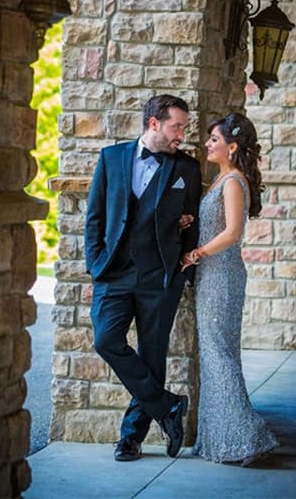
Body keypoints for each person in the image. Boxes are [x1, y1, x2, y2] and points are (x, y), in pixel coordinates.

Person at [85, 94, 202, 461]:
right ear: (154, 124)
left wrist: (185, 272)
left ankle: (130, 438)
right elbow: (95, 217)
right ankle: (167, 406)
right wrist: (96, 264)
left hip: (160, 277)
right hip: (114, 273)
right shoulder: (111, 158)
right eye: (177, 126)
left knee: (153, 356)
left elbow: (192, 222)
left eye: (184, 127)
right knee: (106, 340)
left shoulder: (187, 168)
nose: (182, 134)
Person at [180, 112, 279, 466]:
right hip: (212, 274)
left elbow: (233, 232)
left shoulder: (233, 182)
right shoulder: (221, 180)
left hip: (221, 275)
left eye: (214, 140)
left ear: (232, 146)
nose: (207, 144)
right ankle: (221, 439)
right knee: (215, 354)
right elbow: (215, 223)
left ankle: (246, 438)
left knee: (219, 355)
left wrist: (196, 254)